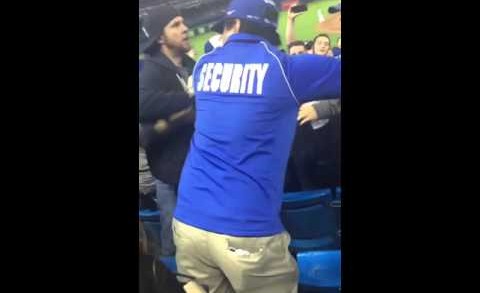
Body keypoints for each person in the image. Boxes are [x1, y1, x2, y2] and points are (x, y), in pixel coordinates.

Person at [172, 0, 341, 292]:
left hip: (188, 222)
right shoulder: (284, 68)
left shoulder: (203, 66)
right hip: (246, 233)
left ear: (234, 24)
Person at [139, 4, 196, 256]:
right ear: (159, 36)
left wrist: (170, 119)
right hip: (170, 174)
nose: (185, 28)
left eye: (183, 22)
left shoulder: (192, 64)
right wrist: (189, 100)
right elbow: (142, 103)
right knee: (175, 243)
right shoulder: (150, 68)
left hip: (198, 169)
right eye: (175, 24)